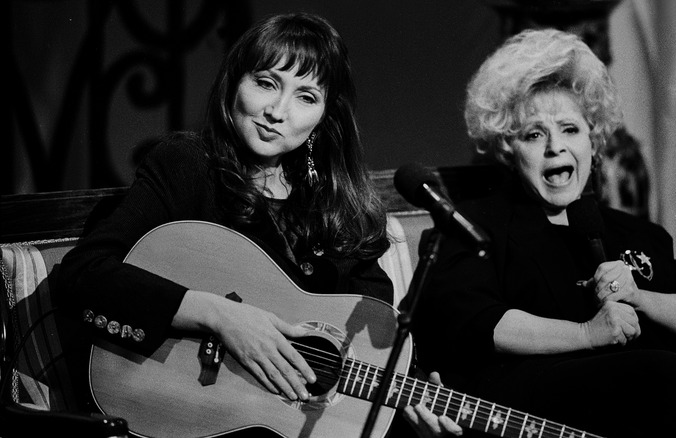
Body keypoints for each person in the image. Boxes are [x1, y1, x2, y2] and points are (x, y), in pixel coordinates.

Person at [55, 11, 428, 436]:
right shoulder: (188, 166)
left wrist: (416, 402)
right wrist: (221, 316)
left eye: (306, 97)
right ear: (235, 82)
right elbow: (84, 274)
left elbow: (370, 334)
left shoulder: (338, 205)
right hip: (184, 413)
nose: (277, 111)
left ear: (324, 117)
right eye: (266, 83)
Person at [404, 28, 676, 438]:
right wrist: (588, 334)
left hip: (640, 412)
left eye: (570, 129)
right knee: (662, 373)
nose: (555, 147)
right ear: (507, 149)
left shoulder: (636, 233)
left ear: (594, 140)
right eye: (534, 134)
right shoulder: (475, 224)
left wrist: (640, 297)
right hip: (529, 413)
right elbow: (471, 322)